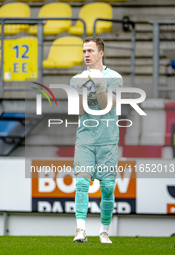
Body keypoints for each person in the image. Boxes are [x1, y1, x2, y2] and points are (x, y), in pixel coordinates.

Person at [70, 36, 123, 244]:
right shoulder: (77, 78)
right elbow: (79, 111)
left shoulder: (115, 77)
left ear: (101, 53)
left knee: (108, 187)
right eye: (84, 51)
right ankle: (80, 230)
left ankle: (104, 231)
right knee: (82, 182)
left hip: (108, 140)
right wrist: (83, 88)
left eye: (90, 51)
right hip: (85, 138)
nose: (86, 55)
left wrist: (98, 83)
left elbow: (106, 106)